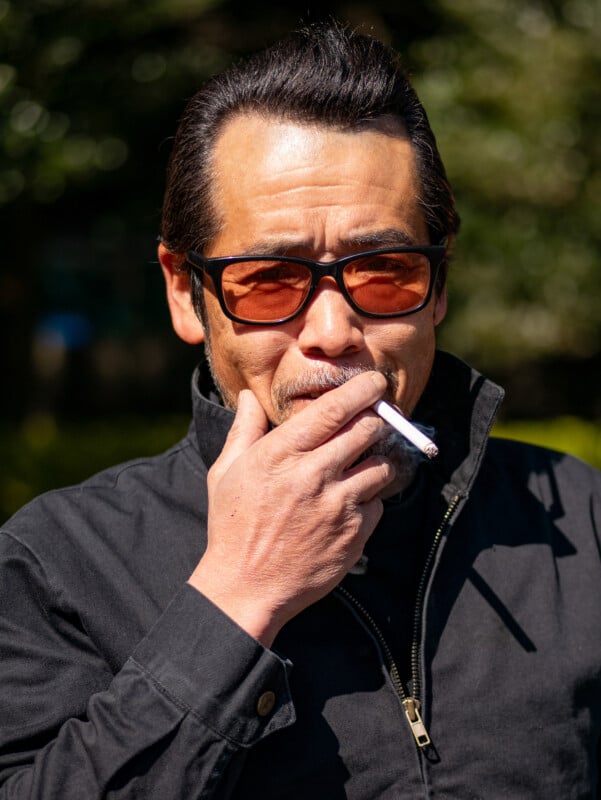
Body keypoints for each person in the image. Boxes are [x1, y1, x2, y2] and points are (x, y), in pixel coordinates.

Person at [1, 19, 600, 800]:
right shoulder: (59, 566)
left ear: (439, 284)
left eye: (383, 272)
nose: (332, 332)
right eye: (269, 281)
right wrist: (235, 599)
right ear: (186, 291)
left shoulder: (574, 522)